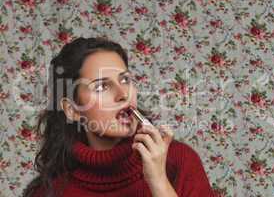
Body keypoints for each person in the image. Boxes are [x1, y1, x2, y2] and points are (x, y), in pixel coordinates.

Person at [22, 37, 215, 197]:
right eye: (101, 87)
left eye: (125, 79)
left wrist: (158, 180)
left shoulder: (179, 160)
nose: (123, 94)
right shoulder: (50, 191)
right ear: (73, 109)